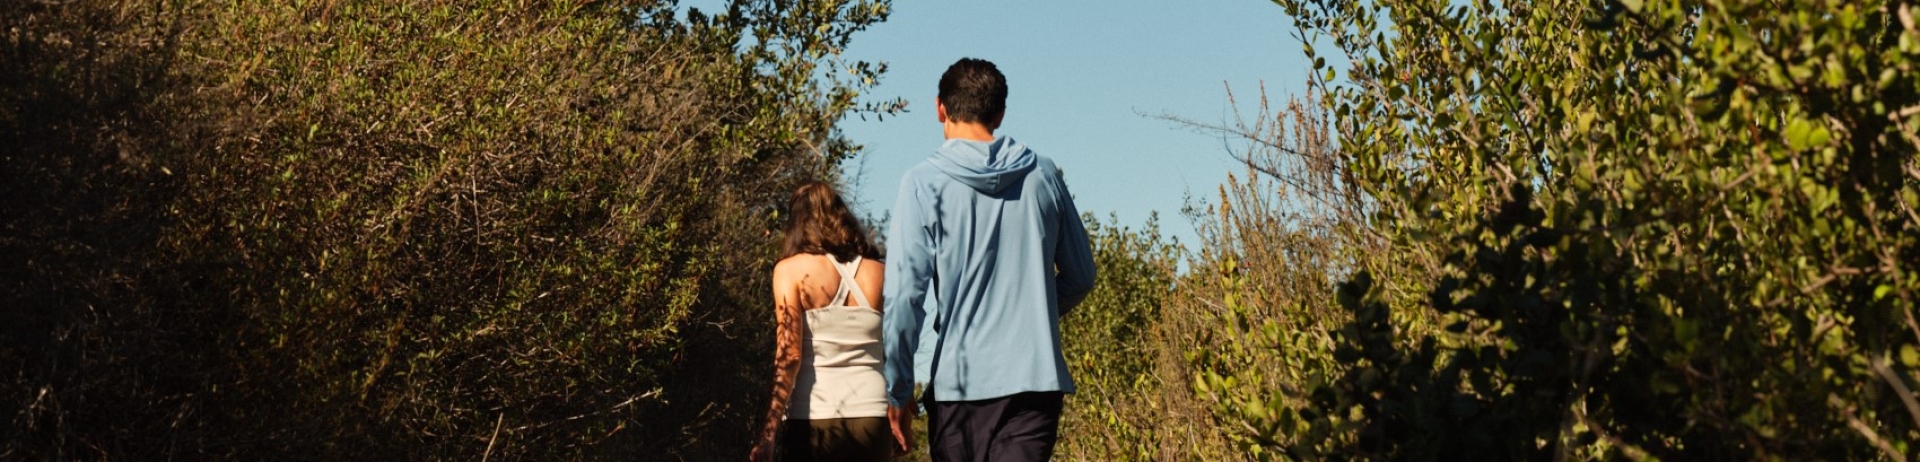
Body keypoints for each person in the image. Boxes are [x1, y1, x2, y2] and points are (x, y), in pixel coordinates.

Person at [881, 57, 1098, 461]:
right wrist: (1030, 313)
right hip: (1035, 384)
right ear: (999, 113)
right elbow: (1081, 276)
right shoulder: (1044, 174)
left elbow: (904, 298)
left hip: (960, 385)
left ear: (940, 108)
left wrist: (897, 389)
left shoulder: (922, 184)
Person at [751, 182, 898, 462]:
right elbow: (898, 342)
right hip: (872, 415)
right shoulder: (879, 272)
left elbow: (790, 355)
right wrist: (901, 408)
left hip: (814, 416)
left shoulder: (789, 270)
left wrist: (769, 431)